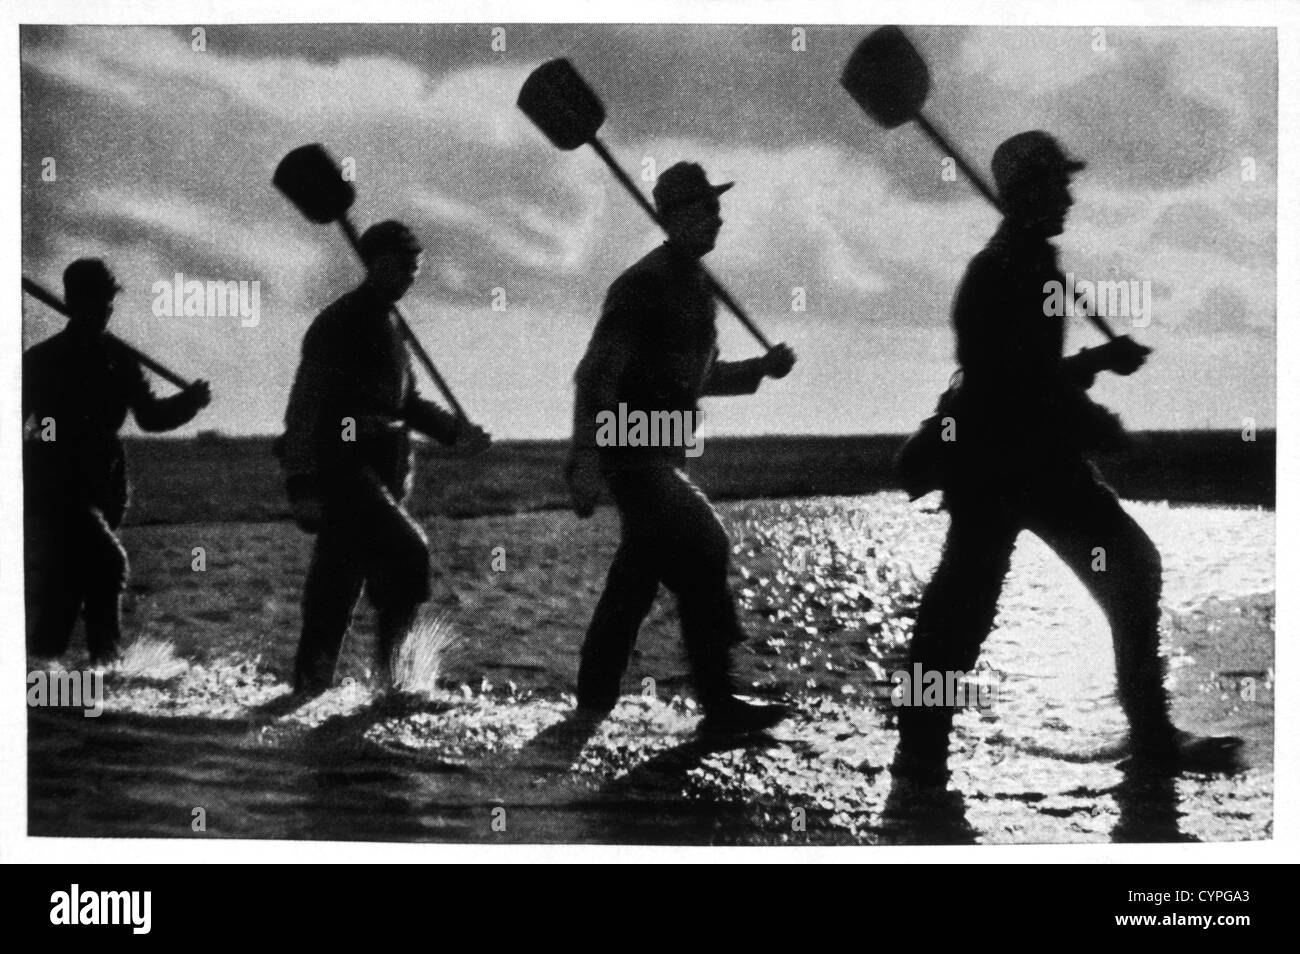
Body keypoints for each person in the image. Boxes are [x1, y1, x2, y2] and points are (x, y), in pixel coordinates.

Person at [894, 131, 1240, 783]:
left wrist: (1095, 363)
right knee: (965, 610)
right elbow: (1009, 386)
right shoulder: (997, 274)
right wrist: (1095, 417)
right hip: (999, 465)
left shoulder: (1031, 265)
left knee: (1121, 569)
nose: (1069, 196)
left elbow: (1029, 371)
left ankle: (1149, 737)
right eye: (1056, 183)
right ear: (1025, 193)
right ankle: (919, 748)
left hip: (1028, 461)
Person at [566, 161, 797, 735]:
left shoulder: (696, 288)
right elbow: (596, 376)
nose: (718, 217)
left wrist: (760, 370)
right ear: (672, 217)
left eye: (718, 207)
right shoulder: (642, 285)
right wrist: (585, 458)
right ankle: (718, 705)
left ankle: (593, 701)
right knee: (706, 542)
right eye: (704, 208)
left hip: (662, 453)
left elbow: (699, 377)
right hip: (631, 451)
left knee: (638, 574)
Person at [278, 221, 490, 697]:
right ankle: (394, 684)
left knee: (336, 587)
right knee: (408, 553)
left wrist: (456, 432)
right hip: (345, 469)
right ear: (372, 262)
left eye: (415, 267)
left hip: (386, 473)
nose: (409, 276)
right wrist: (301, 483)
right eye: (399, 265)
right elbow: (306, 405)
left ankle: (309, 697)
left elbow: (408, 404)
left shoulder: (393, 327)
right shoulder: (338, 322)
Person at [23, 258, 212, 663]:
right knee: (106, 564)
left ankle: (58, 674)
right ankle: (104, 664)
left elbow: (150, 417)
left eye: (109, 300)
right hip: (56, 485)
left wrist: (189, 403)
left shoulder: (120, 359)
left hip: (107, 483)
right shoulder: (41, 361)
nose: (106, 308)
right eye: (97, 299)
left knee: (74, 582)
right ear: (74, 300)